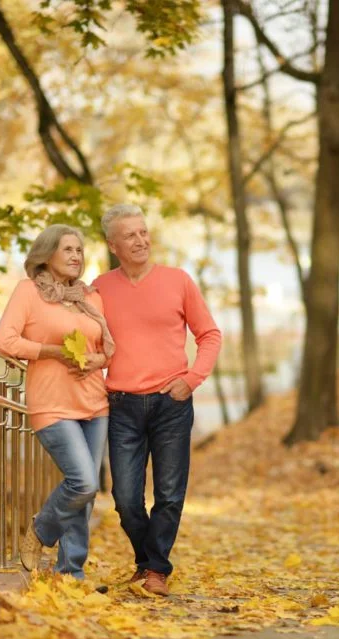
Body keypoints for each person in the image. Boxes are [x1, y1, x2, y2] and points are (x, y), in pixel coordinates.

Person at [92, 204, 221, 596]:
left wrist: (191, 379)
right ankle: (148, 560)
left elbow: (210, 335)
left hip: (171, 404)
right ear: (114, 244)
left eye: (144, 232)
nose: (141, 240)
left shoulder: (178, 281)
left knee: (168, 493)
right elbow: (84, 338)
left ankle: (155, 571)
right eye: (130, 235)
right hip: (123, 406)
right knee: (126, 499)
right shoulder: (99, 288)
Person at [0, 224, 115, 579]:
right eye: (68, 250)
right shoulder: (28, 292)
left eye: (79, 250)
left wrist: (99, 361)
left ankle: (70, 574)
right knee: (83, 482)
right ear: (46, 255)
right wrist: (48, 352)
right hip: (52, 403)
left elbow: (105, 348)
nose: (76, 256)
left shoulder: (90, 298)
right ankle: (40, 532)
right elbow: (5, 340)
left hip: (95, 402)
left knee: (86, 494)